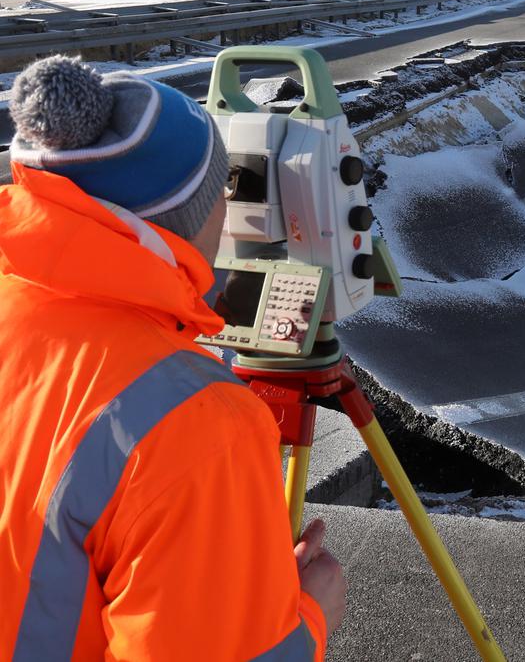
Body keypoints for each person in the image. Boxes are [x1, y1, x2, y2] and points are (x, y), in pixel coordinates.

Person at [0, 56, 345, 660]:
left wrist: (230, 581)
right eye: (224, 189)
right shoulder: (199, 425)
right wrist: (310, 615)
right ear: (188, 217)